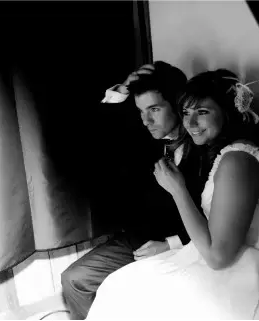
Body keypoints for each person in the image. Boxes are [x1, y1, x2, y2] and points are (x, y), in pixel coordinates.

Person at [85, 69, 259, 319]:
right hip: (218, 257)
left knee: (133, 295)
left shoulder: (236, 160)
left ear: (228, 112)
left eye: (202, 112)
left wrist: (178, 190)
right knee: (121, 288)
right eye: (186, 113)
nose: (191, 123)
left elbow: (218, 256)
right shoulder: (226, 154)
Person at [61, 61, 206, 320]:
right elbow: (90, 133)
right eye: (141, 111)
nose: (146, 120)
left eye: (154, 109)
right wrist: (124, 90)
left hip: (185, 247)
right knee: (74, 280)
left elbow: (215, 216)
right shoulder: (145, 135)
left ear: (178, 104)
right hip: (136, 240)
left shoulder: (203, 144)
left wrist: (170, 243)